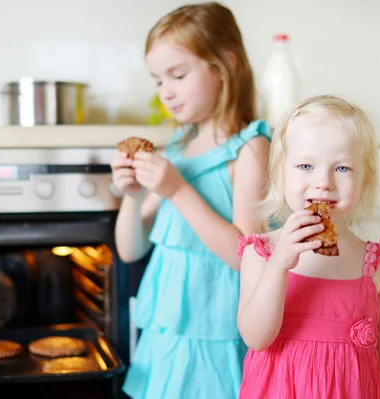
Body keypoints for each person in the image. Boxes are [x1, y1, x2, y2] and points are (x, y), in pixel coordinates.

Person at [110, 2, 271, 398]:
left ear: (223, 67)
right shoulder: (180, 146)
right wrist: (132, 197)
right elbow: (130, 250)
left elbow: (247, 256)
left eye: (178, 74)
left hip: (217, 332)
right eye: (157, 80)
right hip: (169, 333)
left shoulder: (249, 148)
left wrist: (177, 190)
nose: (166, 91)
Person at [237, 95, 380, 399]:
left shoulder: (377, 265)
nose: (323, 182)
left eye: (342, 168)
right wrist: (279, 265)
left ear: (365, 182)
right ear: (280, 176)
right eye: (305, 165)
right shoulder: (261, 253)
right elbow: (255, 338)